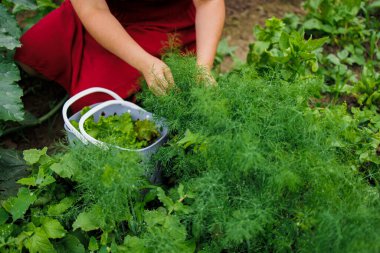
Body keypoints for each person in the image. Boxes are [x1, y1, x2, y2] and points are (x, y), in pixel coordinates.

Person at [15, 0, 225, 112]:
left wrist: (202, 68)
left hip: (165, 21)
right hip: (102, 13)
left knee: (94, 104)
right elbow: (93, 10)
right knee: (30, 55)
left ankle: (143, 84)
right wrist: (144, 62)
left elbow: (208, 3)